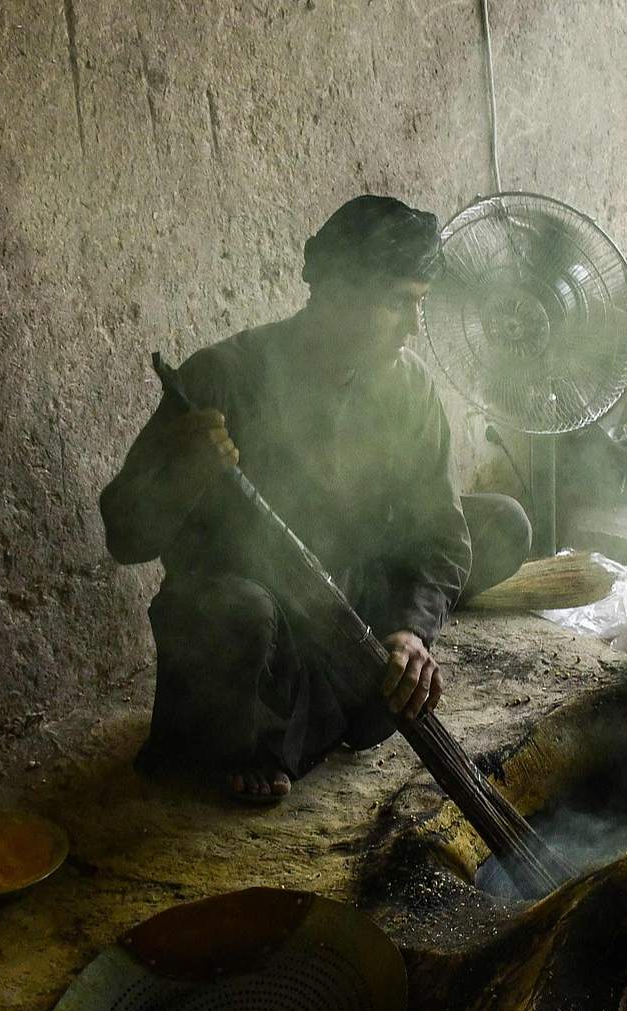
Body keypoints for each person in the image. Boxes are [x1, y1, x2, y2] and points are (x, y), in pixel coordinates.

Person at [100, 195, 530, 803]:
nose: (414, 328)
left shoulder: (408, 389)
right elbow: (124, 537)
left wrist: (411, 632)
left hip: (346, 596)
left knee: (501, 525)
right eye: (400, 304)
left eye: (421, 305)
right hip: (260, 615)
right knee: (234, 612)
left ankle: (338, 697)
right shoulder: (221, 376)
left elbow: (438, 532)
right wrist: (182, 474)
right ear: (342, 292)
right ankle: (252, 739)